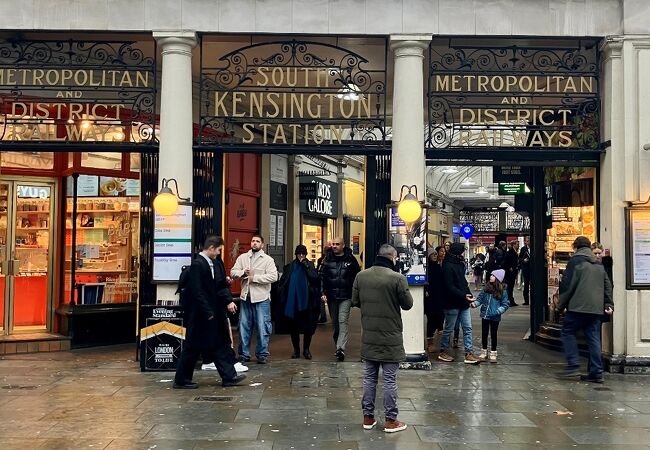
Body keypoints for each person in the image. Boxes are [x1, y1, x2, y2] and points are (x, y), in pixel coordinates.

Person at [351, 244, 413, 433]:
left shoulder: (361, 276)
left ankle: (368, 418)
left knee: (369, 378)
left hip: (369, 334)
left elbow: (355, 301)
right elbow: (408, 304)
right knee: (389, 379)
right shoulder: (397, 278)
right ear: (393, 258)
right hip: (391, 336)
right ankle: (390, 420)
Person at [174, 236, 246, 389]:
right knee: (192, 347)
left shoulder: (212, 264)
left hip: (211, 313)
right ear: (212, 248)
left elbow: (213, 286)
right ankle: (181, 379)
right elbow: (197, 291)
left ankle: (229, 376)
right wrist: (208, 312)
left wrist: (224, 282)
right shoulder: (198, 265)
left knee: (219, 345)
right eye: (219, 250)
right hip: (201, 315)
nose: (219, 253)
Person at [557, 236, 614, 383]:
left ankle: (573, 365)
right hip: (595, 308)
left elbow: (568, 285)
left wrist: (560, 306)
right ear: (589, 247)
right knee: (593, 338)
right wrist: (608, 304)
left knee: (567, 331)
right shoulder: (598, 263)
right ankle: (596, 372)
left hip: (578, 307)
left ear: (575, 246)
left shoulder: (575, 261)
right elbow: (607, 285)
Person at [231, 235, 278, 364]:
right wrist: (242, 273)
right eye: (253, 241)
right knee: (244, 327)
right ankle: (244, 354)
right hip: (246, 297)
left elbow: (274, 277)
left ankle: (262, 354)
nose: (255, 243)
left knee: (263, 327)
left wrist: (255, 278)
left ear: (262, 245)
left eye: (257, 241)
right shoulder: (243, 258)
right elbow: (233, 272)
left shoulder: (268, 260)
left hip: (262, 298)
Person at [437, 243, 480, 364]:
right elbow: (449, 286)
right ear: (457, 252)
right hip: (452, 302)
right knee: (449, 328)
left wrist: (469, 296)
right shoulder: (448, 266)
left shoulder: (457, 264)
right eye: (461, 252)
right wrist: (465, 295)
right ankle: (443, 351)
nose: (462, 254)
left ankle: (469, 353)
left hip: (461, 301)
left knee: (467, 328)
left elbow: (462, 283)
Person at [319, 237, 361, 361]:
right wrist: (322, 292)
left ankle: (340, 348)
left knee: (343, 321)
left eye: (337, 244)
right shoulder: (326, 259)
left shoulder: (351, 259)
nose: (335, 246)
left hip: (346, 296)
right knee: (336, 324)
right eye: (333, 244)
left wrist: (355, 295)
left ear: (343, 245)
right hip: (332, 296)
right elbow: (320, 277)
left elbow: (356, 277)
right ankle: (338, 345)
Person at [278, 244, 320, 359]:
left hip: (308, 301)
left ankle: (306, 349)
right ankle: (296, 350)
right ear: (296, 254)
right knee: (294, 328)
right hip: (293, 302)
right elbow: (283, 282)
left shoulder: (310, 265)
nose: (301, 256)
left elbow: (315, 279)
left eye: (303, 254)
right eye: (299, 254)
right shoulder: (290, 267)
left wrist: (306, 266)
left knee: (308, 327)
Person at [469, 269, 509, 363]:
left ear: (497, 278)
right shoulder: (486, 289)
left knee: (493, 334)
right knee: (484, 334)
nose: (490, 277)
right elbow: (480, 299)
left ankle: (493, 352)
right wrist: (474, 304)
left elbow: (505, 304)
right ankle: (484, 351)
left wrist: (498, 311)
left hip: (495, 316)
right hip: (485, 315)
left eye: (493, 276)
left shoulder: (502, 291)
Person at [425, 246, 446, 353]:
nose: (434, 256)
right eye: (432, 254)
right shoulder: (426, 269)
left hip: (439, 297)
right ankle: (430, 342)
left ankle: (438, 341)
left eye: (435, 254)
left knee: (440, 317)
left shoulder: (438, 267)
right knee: (431, 320)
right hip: (430, 298)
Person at [316, 240, 333, 323]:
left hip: (326, 284)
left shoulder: (321, 260)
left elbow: (319, 273)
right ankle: (324, 316)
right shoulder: (322, 260)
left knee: (323, 301)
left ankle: (323, 316)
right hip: (328, 285)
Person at [503, 240, 520, 306]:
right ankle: (509, 301)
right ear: (513, 245)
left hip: (513, 272)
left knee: (511, 287)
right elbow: (505, 262)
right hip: (509, 273)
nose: (518, 246)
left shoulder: (515, 252)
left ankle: (511, 300)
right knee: (509, 288)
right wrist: (510, 267)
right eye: (517, 244)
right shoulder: (510, 252)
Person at [518, 238, 531, 305]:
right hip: (526, 269)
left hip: (532, 269)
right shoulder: (523, 249)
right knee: (526, 285)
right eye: (527, 241)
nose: (528, 242)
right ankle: (526, 301)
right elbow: (519, 258)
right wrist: (523, 260)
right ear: (525, 242)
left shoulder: (534, 247)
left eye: (529, 241)